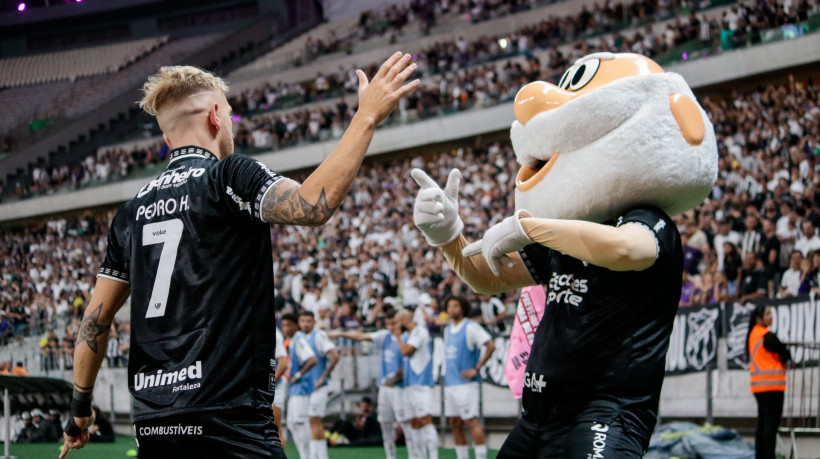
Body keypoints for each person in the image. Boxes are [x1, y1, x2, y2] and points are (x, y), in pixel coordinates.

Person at [60, 52, 419, 458]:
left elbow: (95, 321)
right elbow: (313, 205)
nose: (230, 124)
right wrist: (366, 116)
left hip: (155, 424)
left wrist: (78, 411)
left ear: (167, 138)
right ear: (215, 115)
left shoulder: (128, 215)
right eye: (230, 115)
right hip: (228, 420)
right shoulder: (227, 175)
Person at [329, 308, 404, 459]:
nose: (391, 327)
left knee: (406, 423)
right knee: (385, 422)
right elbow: (361, 336)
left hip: (401, 388)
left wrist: (396, 378)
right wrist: (340, 333)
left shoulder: (408, 338)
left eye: (394, 323)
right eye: (388, 324)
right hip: (384, 387)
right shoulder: (384, 336)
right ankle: (390, 456)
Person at [443, 296, 496, 459]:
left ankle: (481, 456)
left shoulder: (470, 327)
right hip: (450, 383)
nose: (452, 309)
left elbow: (490, 345)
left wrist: (476, 368)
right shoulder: (447, 329)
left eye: (456, 306)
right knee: (454, 423)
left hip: (466, 384)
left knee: (471, 421)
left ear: (463, 308)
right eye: (449, 306)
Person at [746, 304, 791, 459]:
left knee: (762, 424)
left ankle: (760, 456)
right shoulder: (766, 336)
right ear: (759, 318)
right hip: (772, 385)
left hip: (759, 386)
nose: (770, 317)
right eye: (767, 314)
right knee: (770, 426)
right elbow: (785, 352)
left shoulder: (753, 335)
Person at [395, 309, 438, 459]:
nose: (395, 326)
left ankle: (433, 456)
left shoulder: (420, 332)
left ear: (403, 320)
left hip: (421, 384)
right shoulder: (409, 335)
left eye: (396, 322)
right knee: (414, 422)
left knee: (425, 420)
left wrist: (398, 337)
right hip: (409, 384)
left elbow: (407, 351)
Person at [299, 310, 340, 459]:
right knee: (308, 421)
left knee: (314, 419)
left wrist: (324, 376)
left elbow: (334, 355)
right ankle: (313, 455)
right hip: (305, 388)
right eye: (303, 321)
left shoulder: (319, 336)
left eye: (308, 321)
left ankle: (321, 455)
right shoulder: (300, 337)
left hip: (318, 386)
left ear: (314, 322)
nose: (305, 324)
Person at [281, 313, 317, 459]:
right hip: (294, 386)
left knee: (299, 421)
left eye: (289, 325)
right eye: (283, 325)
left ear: (296, 325)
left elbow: (312, 359)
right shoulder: (291, 341)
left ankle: (309, 455)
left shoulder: (299, 340)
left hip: (302, 387)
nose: (285, 328)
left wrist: (298, 375)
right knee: (291, 423)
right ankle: (305, 454)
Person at [272, 326, 289, 447]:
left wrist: (270, 385)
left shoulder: (274, 333)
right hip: (257, 389)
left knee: (275, 428)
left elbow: (283, 363)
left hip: (274, 388)